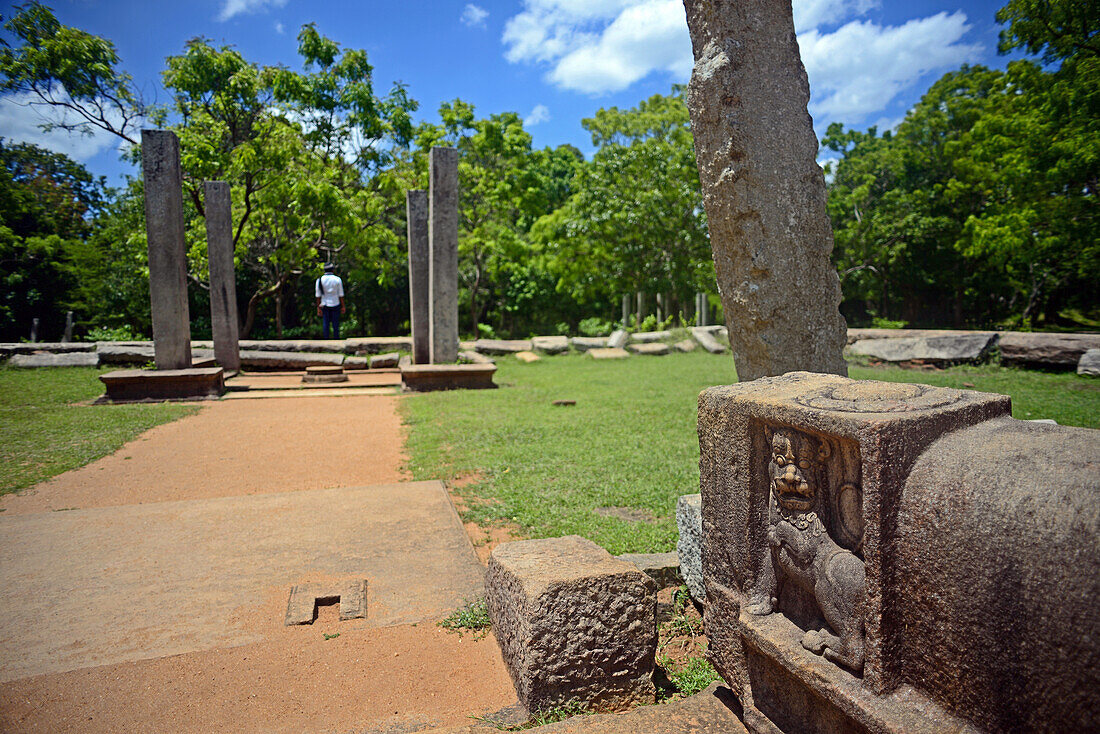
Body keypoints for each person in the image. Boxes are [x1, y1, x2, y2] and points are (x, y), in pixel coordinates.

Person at [315, 262, 345, 339]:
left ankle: (326, 340)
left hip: (324, 304)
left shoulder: (319, 280)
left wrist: (318, 308)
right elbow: (341, 295)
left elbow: (318, 296)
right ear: (333, 270)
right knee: (336, 324)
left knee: (326, 324)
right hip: (336, 303)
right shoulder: (337, 279)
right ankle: (336, 340)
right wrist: (343, 306)